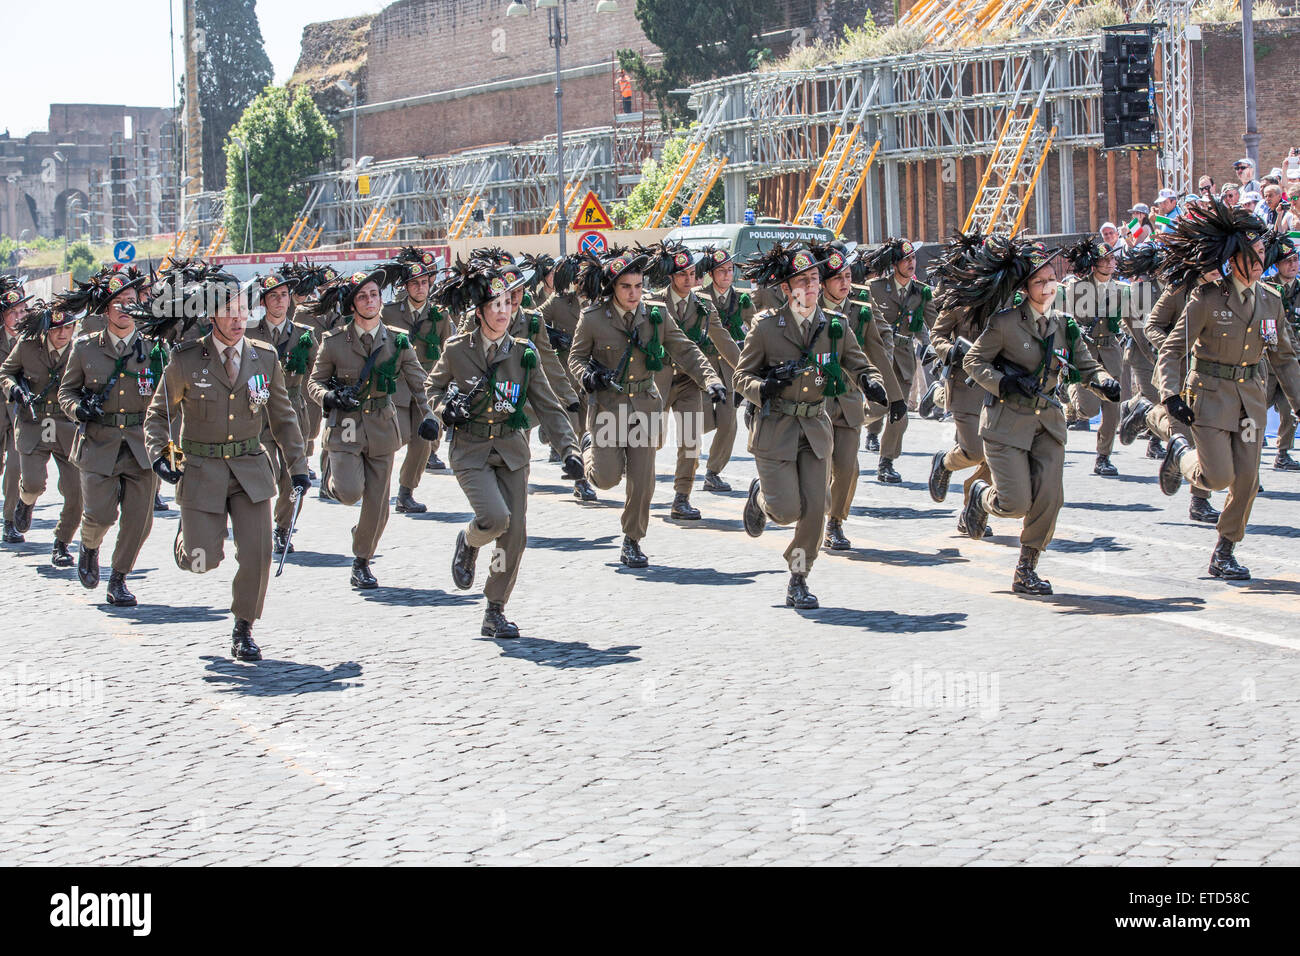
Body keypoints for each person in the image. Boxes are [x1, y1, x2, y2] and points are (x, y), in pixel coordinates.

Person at [144, 271, 310, 661]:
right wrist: (161, 455)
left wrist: (298, 467)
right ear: (210, 316)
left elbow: (284, 418)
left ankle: (244, 627)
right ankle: (188, 542)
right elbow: (157, 415)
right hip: (201, 470)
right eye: (228, 310)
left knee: (258, 552)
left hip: (250, 470)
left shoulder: (264, 357)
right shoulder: (185, 361)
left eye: (243, 310)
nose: (238, 319)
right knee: (203, 561)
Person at [426, 260, 583, 638]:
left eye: (507, 304)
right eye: (494, 305)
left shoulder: (523, 352)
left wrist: (570, 450)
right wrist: (445, 408)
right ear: (479, 311)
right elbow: (431, 391)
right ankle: (468, 539)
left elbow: (547, 405)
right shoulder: (456, 350)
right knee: (495, 520)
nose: (502, 311)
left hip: (512, 451)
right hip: (471, 449)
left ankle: (494, 609)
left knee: (514, 535)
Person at [962, 240, 1120, 595]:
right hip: (1006, 423)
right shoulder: (1004, 324)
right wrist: (1004, 382)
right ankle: (981, 496)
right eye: (1040, 282)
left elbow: (1085, 365)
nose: (1048, 287)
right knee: (1014, 503)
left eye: (1052, 279)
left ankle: (1026, 568)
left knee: (1050, 497)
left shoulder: (1064, 325)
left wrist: (1104, 383)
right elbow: (973, 361)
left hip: (1048, 421)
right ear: (1024, 289)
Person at [1153, 199, 1300, 580]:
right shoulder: (1206, 299)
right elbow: (1172, 349)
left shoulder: (1271, 300)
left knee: (1248, 480)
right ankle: (1179, 452)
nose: (1257, 262)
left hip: (1251, 403)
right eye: (1250, 256)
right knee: (1216, 478)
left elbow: (1284, 358)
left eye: (1261, 254)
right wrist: (1170, 394)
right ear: (1232, 260)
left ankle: (1225, 551)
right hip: (1211, 398)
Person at [735, 243, 875, 609]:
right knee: (786, 511)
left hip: (815, 428)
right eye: (802, 281)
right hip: (776, 427)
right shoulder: (766, 327)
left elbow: (859, 363)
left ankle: (798, 577)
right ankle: (761, 499)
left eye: (814, 279)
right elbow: (741, 377)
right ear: (786, 288)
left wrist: (872, 381)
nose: (810, 287)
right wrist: (762, 387)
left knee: (815, 510)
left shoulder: (834, 326)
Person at [567, 247, 723, 569]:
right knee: (607, 479)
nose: (634, 293)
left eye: (638, 286)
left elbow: (685, 349)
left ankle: (632, 540)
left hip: (645, 408)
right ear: (613, 287)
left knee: (642, 481)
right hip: (609, 408)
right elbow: (575, 359)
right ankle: (589, 451)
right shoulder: (594, 318)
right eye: (626, 287)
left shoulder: (656, 314)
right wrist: (588, 376)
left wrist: (712, 380)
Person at [306, 267, 436, 590]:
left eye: (374, 295)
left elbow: (419, 382)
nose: (369, 300)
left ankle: (361, 560)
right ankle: (331, 478)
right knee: (350, 492)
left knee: (378, 506)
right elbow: (314, 382)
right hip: (346, 426)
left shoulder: (397, 340)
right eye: (362, 296)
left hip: (381, 426)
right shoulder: (334, 342)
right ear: (353, 305)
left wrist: (431, 416)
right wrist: (331, 396)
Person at [55, 266, 159, 606]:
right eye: (118, 302)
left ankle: (119, 578)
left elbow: (170, 401)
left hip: (141, 444)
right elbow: (66, 393)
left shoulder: (155, 349)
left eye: (131, 301)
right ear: (106, 309)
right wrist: (78, 409)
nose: (125, 308)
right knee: (100, 514)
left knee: (139, 520)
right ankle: (88, 546)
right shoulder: (85, 348)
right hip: (98, 442)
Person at [648, 240, 738, 520]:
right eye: (682, 274)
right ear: (671, 277)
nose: (689, 280)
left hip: (690, 382)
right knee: (652, 440)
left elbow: (722, 339)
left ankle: (681, 497)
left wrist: (747, 369)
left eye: (692, 274)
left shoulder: (703, 304)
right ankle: (641, 486)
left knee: (690, 440)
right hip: (656, 381)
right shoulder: (654, 302)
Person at [811, 239, 890, 550]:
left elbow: (882, 347)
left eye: (847, 277)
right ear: (822, 284)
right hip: (812, 400)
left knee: (848, 467)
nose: (845, 283)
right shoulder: (806, 310)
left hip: (848, 399)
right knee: (811, 466)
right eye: (837, 279)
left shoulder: (861, 311)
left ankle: (835, 522)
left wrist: (890, 396)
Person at [925, 230, 999, 537]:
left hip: (998, 387)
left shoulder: (1005, 296)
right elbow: (937, 335)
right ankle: (945, 462)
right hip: (966, 387)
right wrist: (951, 351)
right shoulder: (958, 299)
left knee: (998, 455)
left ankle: (971, 508)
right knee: (972, 452)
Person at [0, 300, 81, 564]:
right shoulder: (27, 346)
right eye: (57, 328)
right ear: (47, 329)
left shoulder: (82, 351)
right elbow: (6, 372)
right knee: (34, 483)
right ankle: (25, 501)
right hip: (33, 424)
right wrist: (13, 389)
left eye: (67, 328)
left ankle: (62, 543)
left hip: (67, 426)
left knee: (76, 493)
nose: (62, 334)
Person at [246, 270, 319, 555]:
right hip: (257, 411)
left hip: (291, 409)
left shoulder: (304, 336)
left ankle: (283, 527)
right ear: (263, 302)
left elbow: (315, 376)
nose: (279, 301)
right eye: (273, 296)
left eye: (284, 295)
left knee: (293, 475)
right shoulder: (249, 333)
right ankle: (259, 524)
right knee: (265, 469)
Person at [381, 246, 453, 516]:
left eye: (424, 283)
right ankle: (377, 486)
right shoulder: (389, 313)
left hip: (427, 388)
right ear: (407, 286)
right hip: (396, 386)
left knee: (423, 442)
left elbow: (449, 350)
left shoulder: (441, 314)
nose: (420, 288)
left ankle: (405, 493)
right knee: (393, 437)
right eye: (415, 283)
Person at [864, 238, 936, 483]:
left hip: (904, 357)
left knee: (900, 411)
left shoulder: (921, 292)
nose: (911, 263)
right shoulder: (874, 288)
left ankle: (886, 462)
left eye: (913, 258)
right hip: (878, 355)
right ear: (894, 264)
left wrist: (934, 348)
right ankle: (861, 427)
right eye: (906, 259)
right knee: (877, 405)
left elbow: (932, 325)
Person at [1059, 238, 1126, 477]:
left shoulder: (1121, 290)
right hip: (1085, 353)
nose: (1110, 263)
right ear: (1093, 263)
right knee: (1087, 409)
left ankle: (1103, 457)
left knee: (1112, 410)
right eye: (1105, 260)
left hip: (1111, 352)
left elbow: (1133, 322)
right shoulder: (1075, 289)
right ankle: (1069, 392)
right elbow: (1062, 319)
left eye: (1113, 259)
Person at [537, 253, 598, 501]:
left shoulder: (600, 300)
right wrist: (551, 335)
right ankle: (580, 481)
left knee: (591, 430)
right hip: (566, 379)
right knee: (574, 431)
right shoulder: (559, 302)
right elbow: (534, 319)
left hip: (592, 378)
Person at [696, 245, 756, 492]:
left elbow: (755, 329)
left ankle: (713, 472)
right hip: (702, 367)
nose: (727, 275)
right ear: (712, 274)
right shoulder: (699, 297)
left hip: (730, 368)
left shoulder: (741, 299)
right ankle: (687, 465)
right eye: (721, 271)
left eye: (730, 270)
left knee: (728, 423)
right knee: (700, 421)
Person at [1114, 243, 1166, 461]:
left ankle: (1132, 407)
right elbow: (1137, 328)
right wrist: (1154, 354)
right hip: (1143, 352)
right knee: (1156, 398)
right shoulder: (1140, 291)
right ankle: (1153, 440)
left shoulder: (1169, 287)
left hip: (1163, 351)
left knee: (1161, 397)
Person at [1264, 232, 1300, 471]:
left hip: (1292, 361)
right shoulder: (1267, 289)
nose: (1293, 265)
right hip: (1267, 361)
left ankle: (1283, 452)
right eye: (1288, 261)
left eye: (1296, 260)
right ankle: (1247, 460)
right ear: (1277, 264)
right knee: (1255, 410)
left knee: (1289, 409)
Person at [0, 275, 30, 543]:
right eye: (13, 312)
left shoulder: (32, 340)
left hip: (20, 412)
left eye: (22, 311)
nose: (19, 317)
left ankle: (9, 521)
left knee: (16, 465)